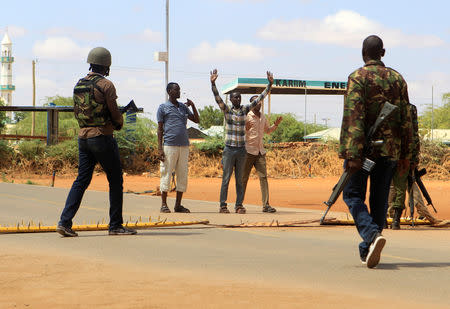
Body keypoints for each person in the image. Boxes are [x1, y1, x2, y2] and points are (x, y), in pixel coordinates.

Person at [339, 35, 413, 268]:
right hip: (390, 152)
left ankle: (371, 236)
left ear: (363, 53)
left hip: (364, 153)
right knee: (380, 200)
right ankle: (368, 248)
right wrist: (407, 155)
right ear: (383, 52)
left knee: (351, 195)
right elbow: (407, 118)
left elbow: (354, 117)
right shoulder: (397, 79)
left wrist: (352, 154)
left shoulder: (357, 78)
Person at [57, 47, 137, 237]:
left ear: (91, 63)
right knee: (116, 180)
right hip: (101, 137)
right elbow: (115, 114)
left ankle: (64, 222)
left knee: (81, 180)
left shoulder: (79, 84)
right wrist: (118, 123)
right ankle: (115, 225)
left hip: (83, 137)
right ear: (106, 66)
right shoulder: (106, 85)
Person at [210, 69, 273, 214]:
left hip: (241, 151)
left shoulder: (245, 110)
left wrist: (269, 85)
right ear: (231, 100)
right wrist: (213, 83)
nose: (237, 100)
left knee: (239, 180)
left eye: (239, 98)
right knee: (226, 179)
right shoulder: (227, 110)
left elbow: (260, 98)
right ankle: (223, 205)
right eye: (234, 98)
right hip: (229, 150)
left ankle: (239, 205)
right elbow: (217, 97)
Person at [157, 82, 200, 213]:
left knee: (182, 174)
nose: (179, 92)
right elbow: (159, 130)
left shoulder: (183, 107)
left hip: (184, 146)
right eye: (176, 90)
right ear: (169, 91)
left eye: (179, 90)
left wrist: (192, 105)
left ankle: (178, 205)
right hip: (169, 145)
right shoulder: (163, 107)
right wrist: (159, 149)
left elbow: (196, 120)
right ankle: (164, 204)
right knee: (166, 173)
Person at [242, 97, 282, 213]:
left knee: (263, 178)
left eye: (260, 102)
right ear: (252, 103)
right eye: (256, 101)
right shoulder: (247, 116)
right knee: (244, 178)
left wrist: (275, 125)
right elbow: (240, 132)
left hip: (260, 152)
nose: (259, 103)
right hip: (248, 151)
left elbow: (268, 131)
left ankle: (266, 205)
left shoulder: (262, 116)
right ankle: (239, 204)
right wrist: (245, 128)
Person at [388, 103, 420, 229]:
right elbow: (414, 133)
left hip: (387, 152)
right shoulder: (410, 108)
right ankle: (396, 220)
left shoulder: (383, 104)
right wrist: (414, 157)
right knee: (400, 188)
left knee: (382, 187)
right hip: (404, 154)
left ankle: (383, 219)